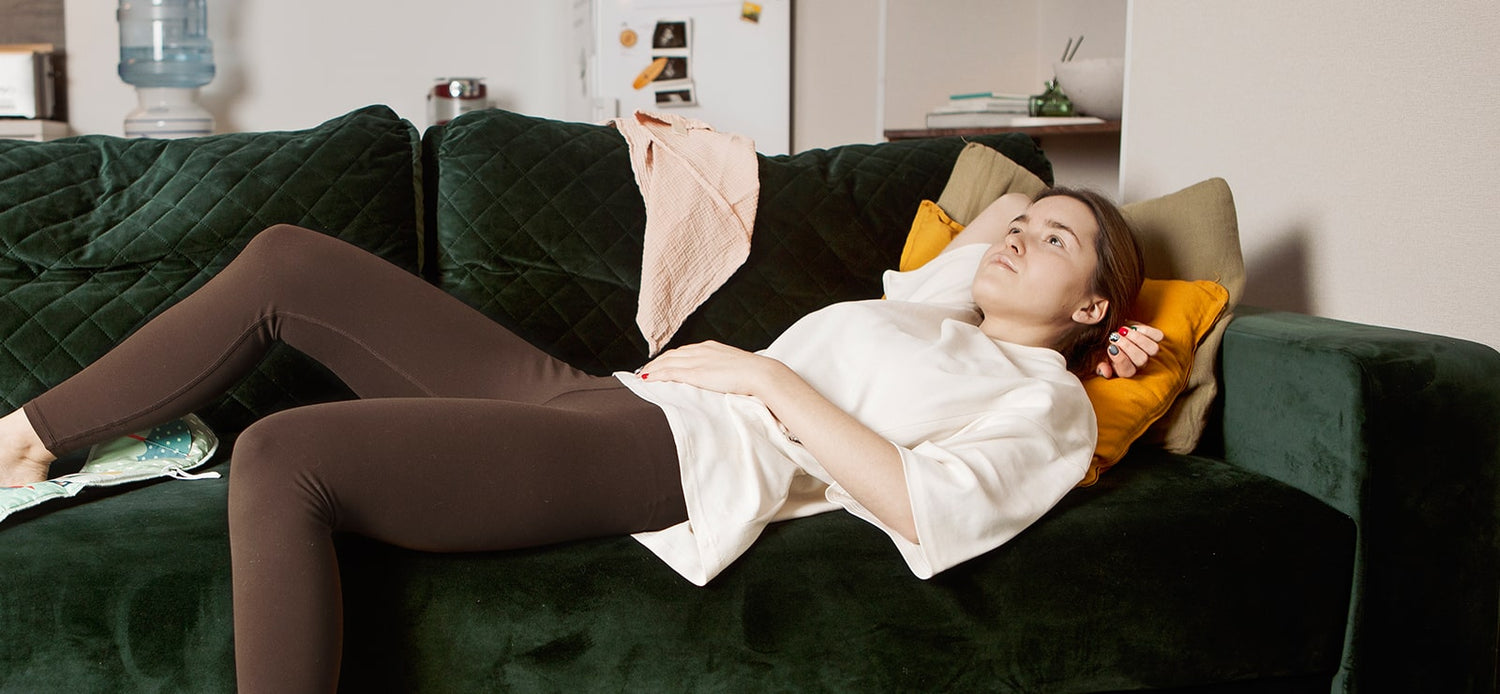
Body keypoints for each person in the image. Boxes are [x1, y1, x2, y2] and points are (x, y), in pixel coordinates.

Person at [0, 187, 1158, 692]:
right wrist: (1086, 293)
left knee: (283, 455)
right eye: (1024, 226)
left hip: (677, 457)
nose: (1018, 238)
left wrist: (765, 377)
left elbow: (929, 507)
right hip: (614, 395)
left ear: (1094, 305)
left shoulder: (1044, 403)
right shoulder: (937, 308)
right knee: (290, 260)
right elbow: (990, 213)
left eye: (1055, 240)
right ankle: (22, 440)